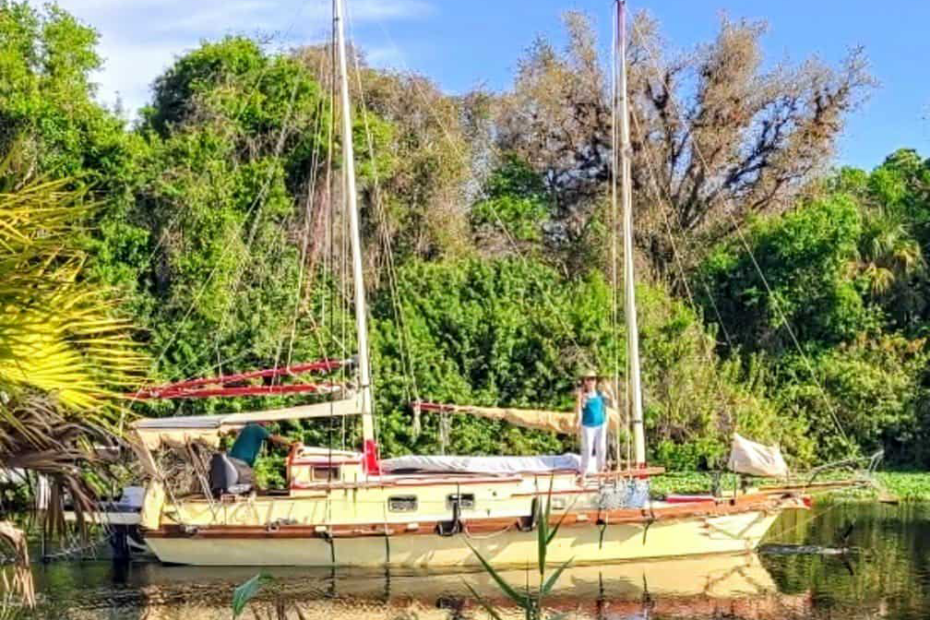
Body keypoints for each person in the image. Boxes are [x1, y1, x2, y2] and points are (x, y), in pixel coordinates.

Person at [225, 422, 296, 488]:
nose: (269, 425)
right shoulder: (257, 428)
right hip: (241, 460)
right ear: (263, 421)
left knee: (246, 484)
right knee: (250, 486)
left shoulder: (248, 428)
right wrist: (291, 444)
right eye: (269, 423)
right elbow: (274, 438)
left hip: (235, 459)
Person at [575, 368, 612, 483]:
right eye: (589, 379)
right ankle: (583, 474)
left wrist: (609, 390)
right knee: (588, 449)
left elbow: (611, 401)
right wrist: (578, 419)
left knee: (601, 448)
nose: (591, 381)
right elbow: (579, 409)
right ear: (585, 381)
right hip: (588, 426)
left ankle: (600, 472)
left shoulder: (600, 394)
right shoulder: (583, 395)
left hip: (600, 424)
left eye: (593, 379)